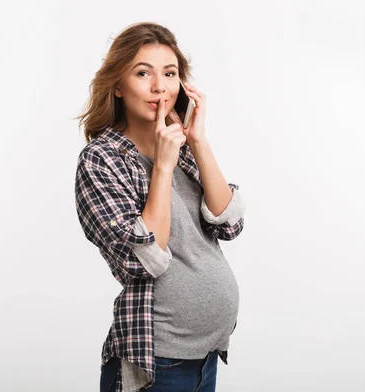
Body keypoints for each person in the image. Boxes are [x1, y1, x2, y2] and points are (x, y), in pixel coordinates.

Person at [74, 22, 246, 392]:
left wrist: (197, 142)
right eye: (142, 73)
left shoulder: (180, 148)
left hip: (206, 358)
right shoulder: (101, 160)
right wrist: (162, 168)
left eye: (169, 74)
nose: (159, 87)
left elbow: (229, 224)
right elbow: (144, 258)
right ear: (118, 87)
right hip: (157, 361)